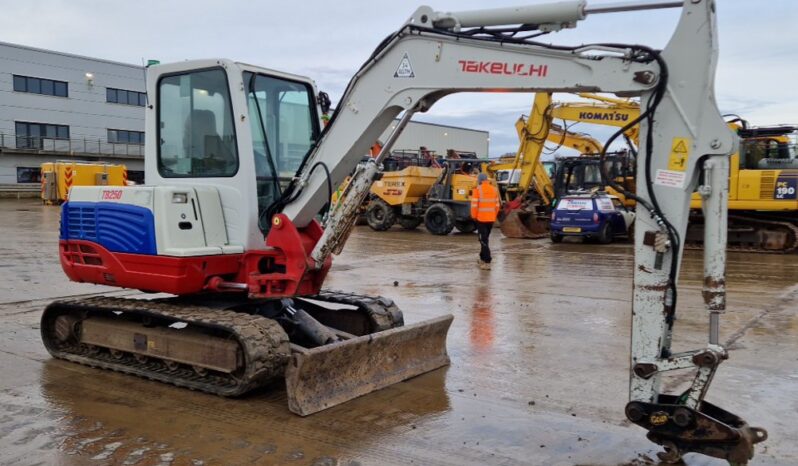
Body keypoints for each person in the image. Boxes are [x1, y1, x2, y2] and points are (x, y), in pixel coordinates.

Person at [470, 173, 500, 270]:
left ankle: (487, 261)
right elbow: (497, 206)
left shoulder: (477, 190)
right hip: (491, 219)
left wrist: (474, 217)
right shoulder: (494, 189)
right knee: (484, 239)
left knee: (483, 240)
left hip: (481, 219)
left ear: (479, 180)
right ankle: (482, 258)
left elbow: (474, 206)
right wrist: (493, 216)